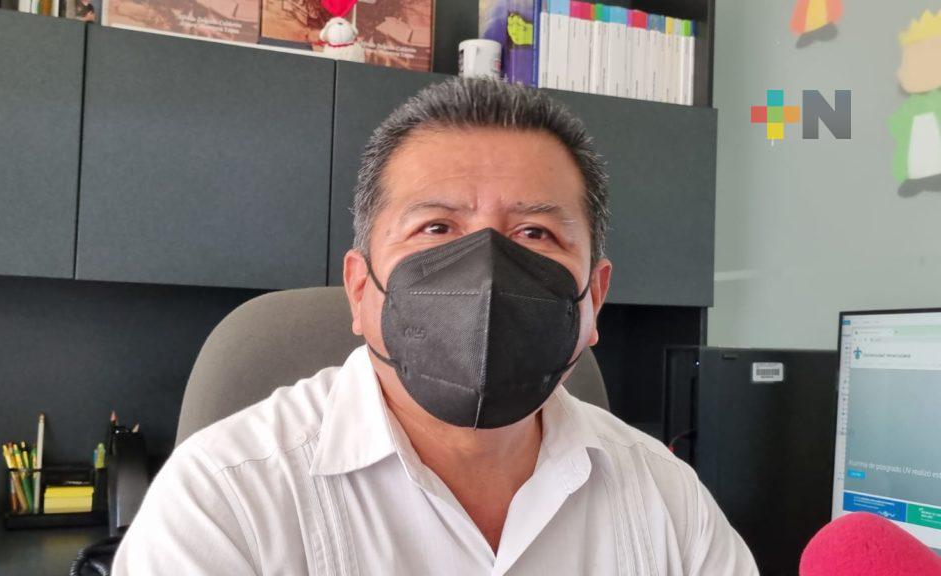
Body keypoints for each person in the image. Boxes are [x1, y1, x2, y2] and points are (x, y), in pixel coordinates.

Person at [113, 77, 757, 575]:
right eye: (436, 228)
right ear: (361, 289)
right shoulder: (223, 500)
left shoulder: (668, 498)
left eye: (535, 233)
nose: (488, 270)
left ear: (596, 298)